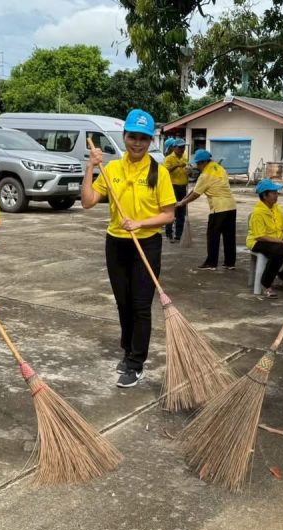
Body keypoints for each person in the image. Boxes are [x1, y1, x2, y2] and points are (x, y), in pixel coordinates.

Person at [80, 109, 177, 388]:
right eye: (132, 137)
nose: (137, 143)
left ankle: (136, 363)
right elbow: (87, 201)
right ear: (124, 137)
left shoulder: (159, 173)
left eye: (143, 138)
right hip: (117, 243)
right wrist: (90, 166)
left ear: (150, 141)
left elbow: (168, 215)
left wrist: (140, 223)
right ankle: (128, 350)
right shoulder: (111, 169)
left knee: (140, 305)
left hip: (146, 243)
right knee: (123, 302)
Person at [176, 149, 238, 270]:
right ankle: (230, 263)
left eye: (198, 164)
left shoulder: (205, 175)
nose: (198, 166)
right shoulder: (219, 168)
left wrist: (182, 203)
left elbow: (196, 194)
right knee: (229, 236)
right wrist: (183, 200)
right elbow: (195, 190)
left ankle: (211, 263)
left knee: (213, 235)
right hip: (231, 207)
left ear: (204, 162)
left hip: (219, 208)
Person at [162, 138, 190, 242]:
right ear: (174, 148)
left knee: (181, 211)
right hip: (172, 187)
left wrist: (189, 171)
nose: (182, 149)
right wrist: (177, 165)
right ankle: (169, 233)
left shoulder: (185, 157)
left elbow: (187, 170)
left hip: (183, 187)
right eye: (180, 147)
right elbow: (165, 171)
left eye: (183, 147)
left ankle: (179, 234)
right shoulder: (169, 158)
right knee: (171, 210)